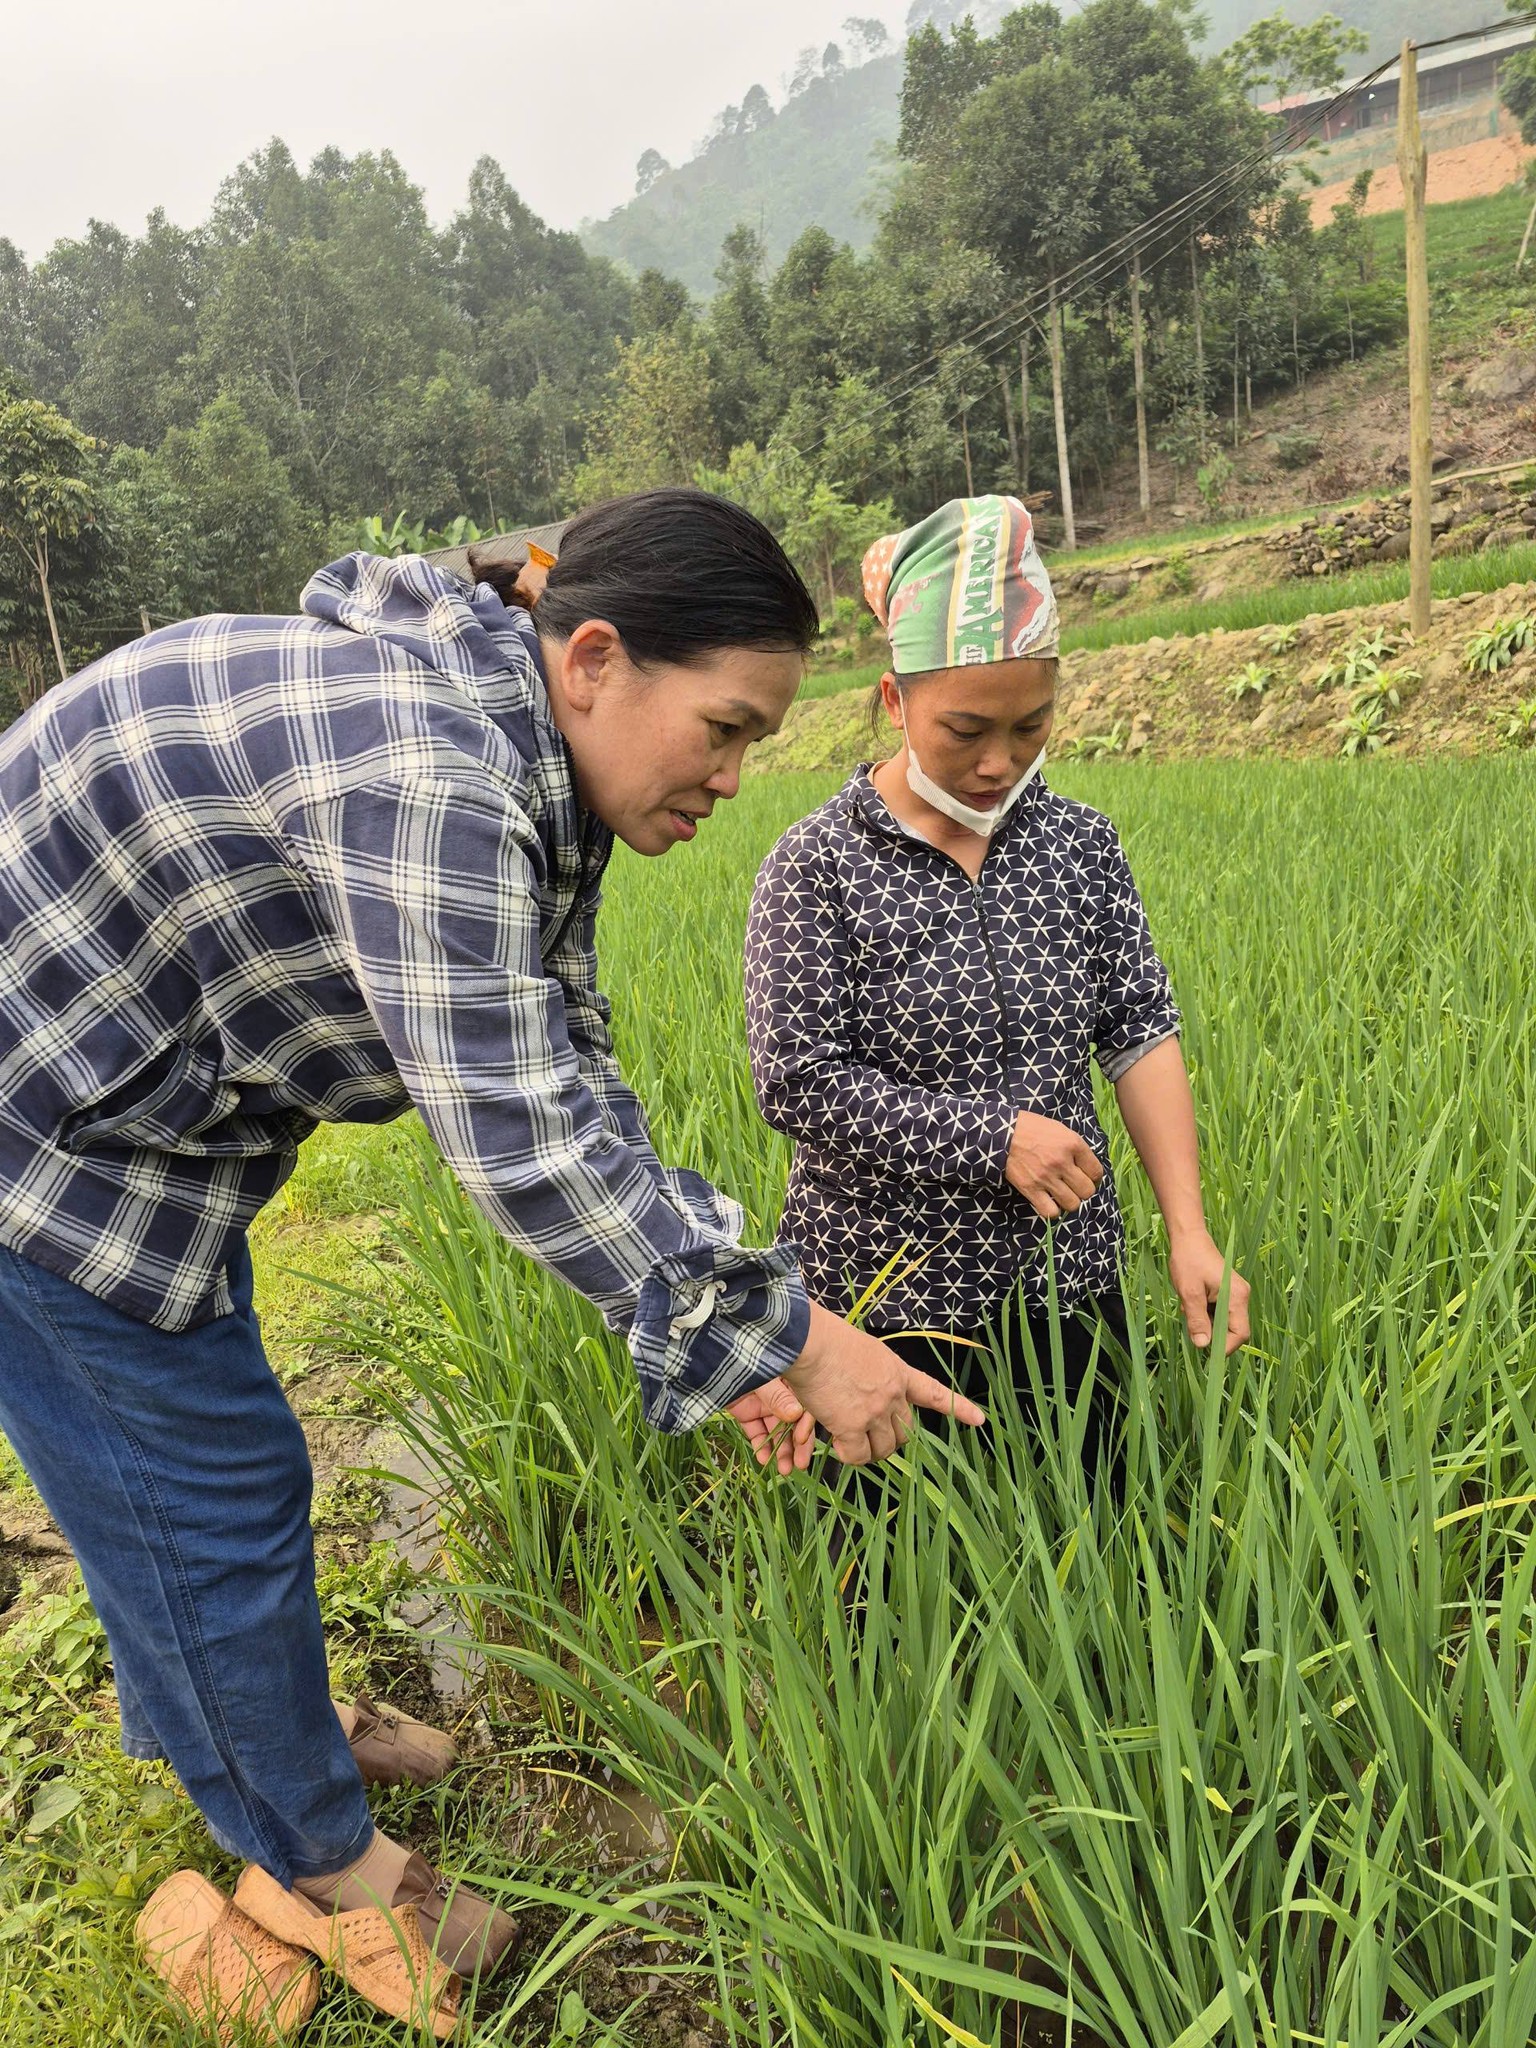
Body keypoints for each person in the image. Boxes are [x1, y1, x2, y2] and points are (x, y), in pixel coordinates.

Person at [0, 488, 983, 2038]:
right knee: (203, 1492)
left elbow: (568, 1062)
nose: (731, 779)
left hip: (143, 1106)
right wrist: (795, 1336)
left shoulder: (519, 745)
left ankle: (269, 1729)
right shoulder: (433, 767)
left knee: (191, 1471)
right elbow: (519, 1133)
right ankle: (318, 1864)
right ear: (592, 657)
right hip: (41, 1126)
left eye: (754, 747)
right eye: (722, 730)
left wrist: (727, 1343)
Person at [744, 494, 1249, 1491]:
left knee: (1097, 1548)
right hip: (887, 1310)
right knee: (908, 1598)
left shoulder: (1078, 845)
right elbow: (797, 1081)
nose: (997, 762)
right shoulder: (817, 865)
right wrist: (993, 1136)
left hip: (1068, 1280)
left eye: (1030, 725)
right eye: (964, 728)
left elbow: (1137, 1025)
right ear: (894, 700)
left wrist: (1189, 1229)